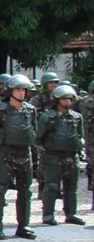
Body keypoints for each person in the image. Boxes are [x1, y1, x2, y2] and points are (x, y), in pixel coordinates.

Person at [0, 74, 37, 239]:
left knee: (25, 191)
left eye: (23, 90)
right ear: (10, 91)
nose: (21, 93)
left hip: (25, 155)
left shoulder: (30, 110)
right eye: (18, 89)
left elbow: (34, 132)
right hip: (5, 154)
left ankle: (23, 225)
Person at [37, 84, 86, 226]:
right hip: (53, 157)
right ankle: (48, 215)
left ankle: (71, 214)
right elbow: (39, 137)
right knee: (51, 186)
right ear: (57, 100)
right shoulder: (47, 117)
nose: (68, 102)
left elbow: (80, 136)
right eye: (64, 99)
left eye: (70, 99)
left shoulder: (77, 117)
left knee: (71, 187)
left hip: (71, 157)